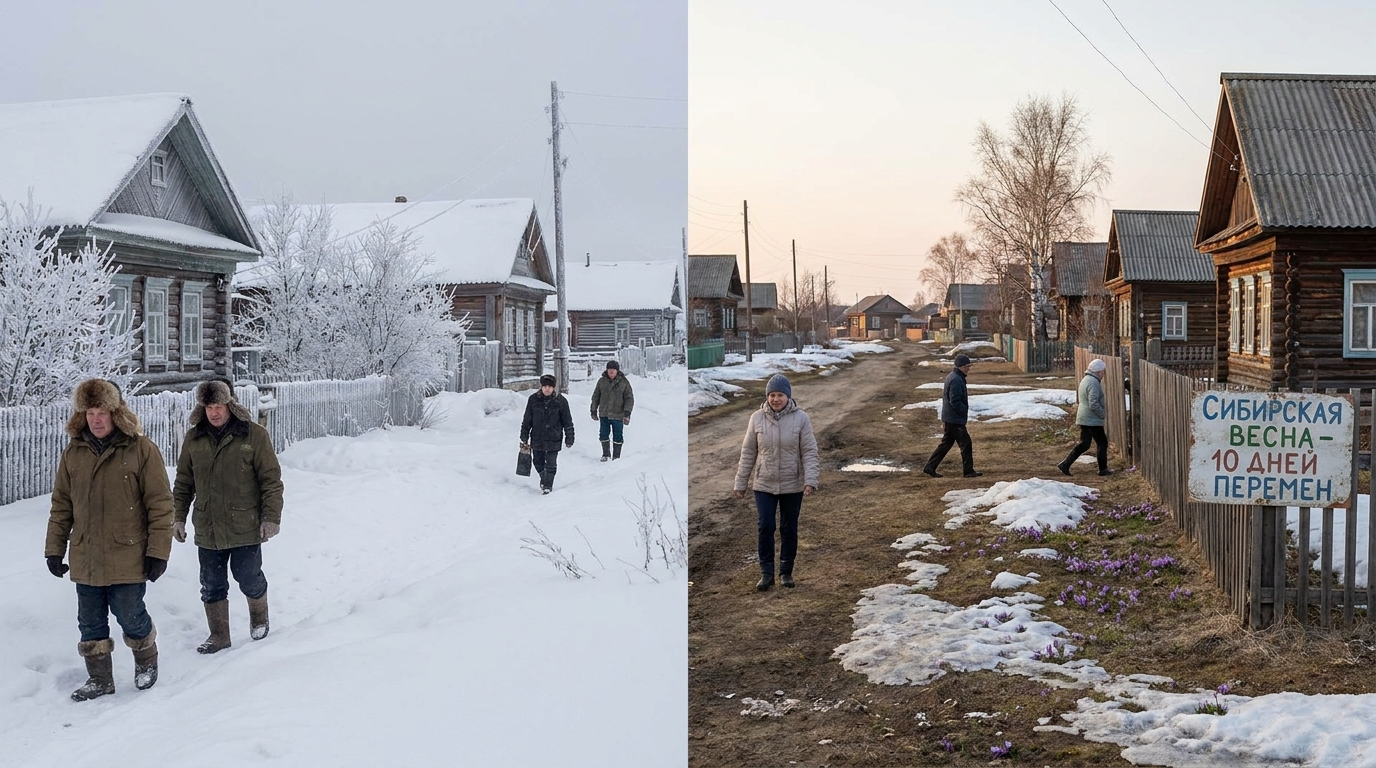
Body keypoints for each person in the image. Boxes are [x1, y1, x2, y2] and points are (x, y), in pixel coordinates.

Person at [45, 378, 173, 701]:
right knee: (89, 622)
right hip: (86, 554)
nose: (96, 419)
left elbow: (160, 503)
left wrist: (158, 552)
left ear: (116, 412)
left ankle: (146, 660)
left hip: (127, 555)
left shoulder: (141, 449)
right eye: (90, 412)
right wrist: (54, 549)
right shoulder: (74, 453)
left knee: (130, 613)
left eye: (102, 411)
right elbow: (61, 506)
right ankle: (100, 679)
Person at [172, 379, 284, 654]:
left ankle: (259, 616)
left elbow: (271, 480)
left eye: (219, 406)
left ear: (230, 404)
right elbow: (184, 482)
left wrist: (271, 517)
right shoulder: (194, 439)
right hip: (208, 526)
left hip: (244, 523)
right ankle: (219, 635)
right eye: (209, 407)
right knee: (211, 585)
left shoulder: (253, 435)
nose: (214, 413)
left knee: (247, 576)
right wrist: (178, 517)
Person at [733, 373, 819, 591]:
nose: (776, 399)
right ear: (767, 397)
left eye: (780, 394)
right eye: (772, 395)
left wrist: (810, 480)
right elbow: (748, 452)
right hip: (764, 483)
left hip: (792, 483)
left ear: (788, 396)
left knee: (789, 528)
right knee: (766, 526)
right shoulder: (756, 418)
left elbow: (809, 451)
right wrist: (740, 483)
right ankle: (767, 573)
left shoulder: (801, 418)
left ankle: (786, 572)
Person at [922, 353, 983, 478]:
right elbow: (954, 400)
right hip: (954, 419)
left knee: (945, 445)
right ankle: (968, 471)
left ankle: (930, 467)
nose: (968, 369)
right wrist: (963, 410)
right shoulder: (956, 379)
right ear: (960, 366)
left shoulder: (955, 376)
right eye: (967, 366)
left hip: (951, 418)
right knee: (966, 444)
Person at [521, 373, 575, 494]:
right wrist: (524, 435)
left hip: (554, 437)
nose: (547, 389)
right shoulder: (533, 399)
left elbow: (567, 421)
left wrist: (569, 437)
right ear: (541, 386)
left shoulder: (561, 401)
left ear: (553, 388)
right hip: (537, 437)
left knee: (551, 463)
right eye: (544, 386)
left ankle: (547, 485)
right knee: (537, 462)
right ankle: (544, 477)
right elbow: (527, 419)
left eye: (550, 386)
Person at [1058, 358, 1111, 477]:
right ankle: (1103, 469)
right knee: (1102, 443)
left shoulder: (1086, 380)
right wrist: (1102, 414)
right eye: (1103, 372)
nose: (1103, 374)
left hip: (1084, 417)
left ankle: (1065, 464)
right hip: (1091, 419)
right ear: (1098, 372)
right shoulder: (1093, 383)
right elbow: (1093, 403)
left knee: (1085, 444)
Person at [590, 360, 634, 462]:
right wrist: (593, 410)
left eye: (613, 371)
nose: (611, 373)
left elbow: (629, 398)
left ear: (617, 371)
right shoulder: (602, 381)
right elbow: (595, 396)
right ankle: (606, 454)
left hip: (618, 414)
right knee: (603, 434)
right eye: (609, 371)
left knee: (618, 435)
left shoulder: (624, 382)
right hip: (604, 413)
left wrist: (627, 413)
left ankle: (616, 456)